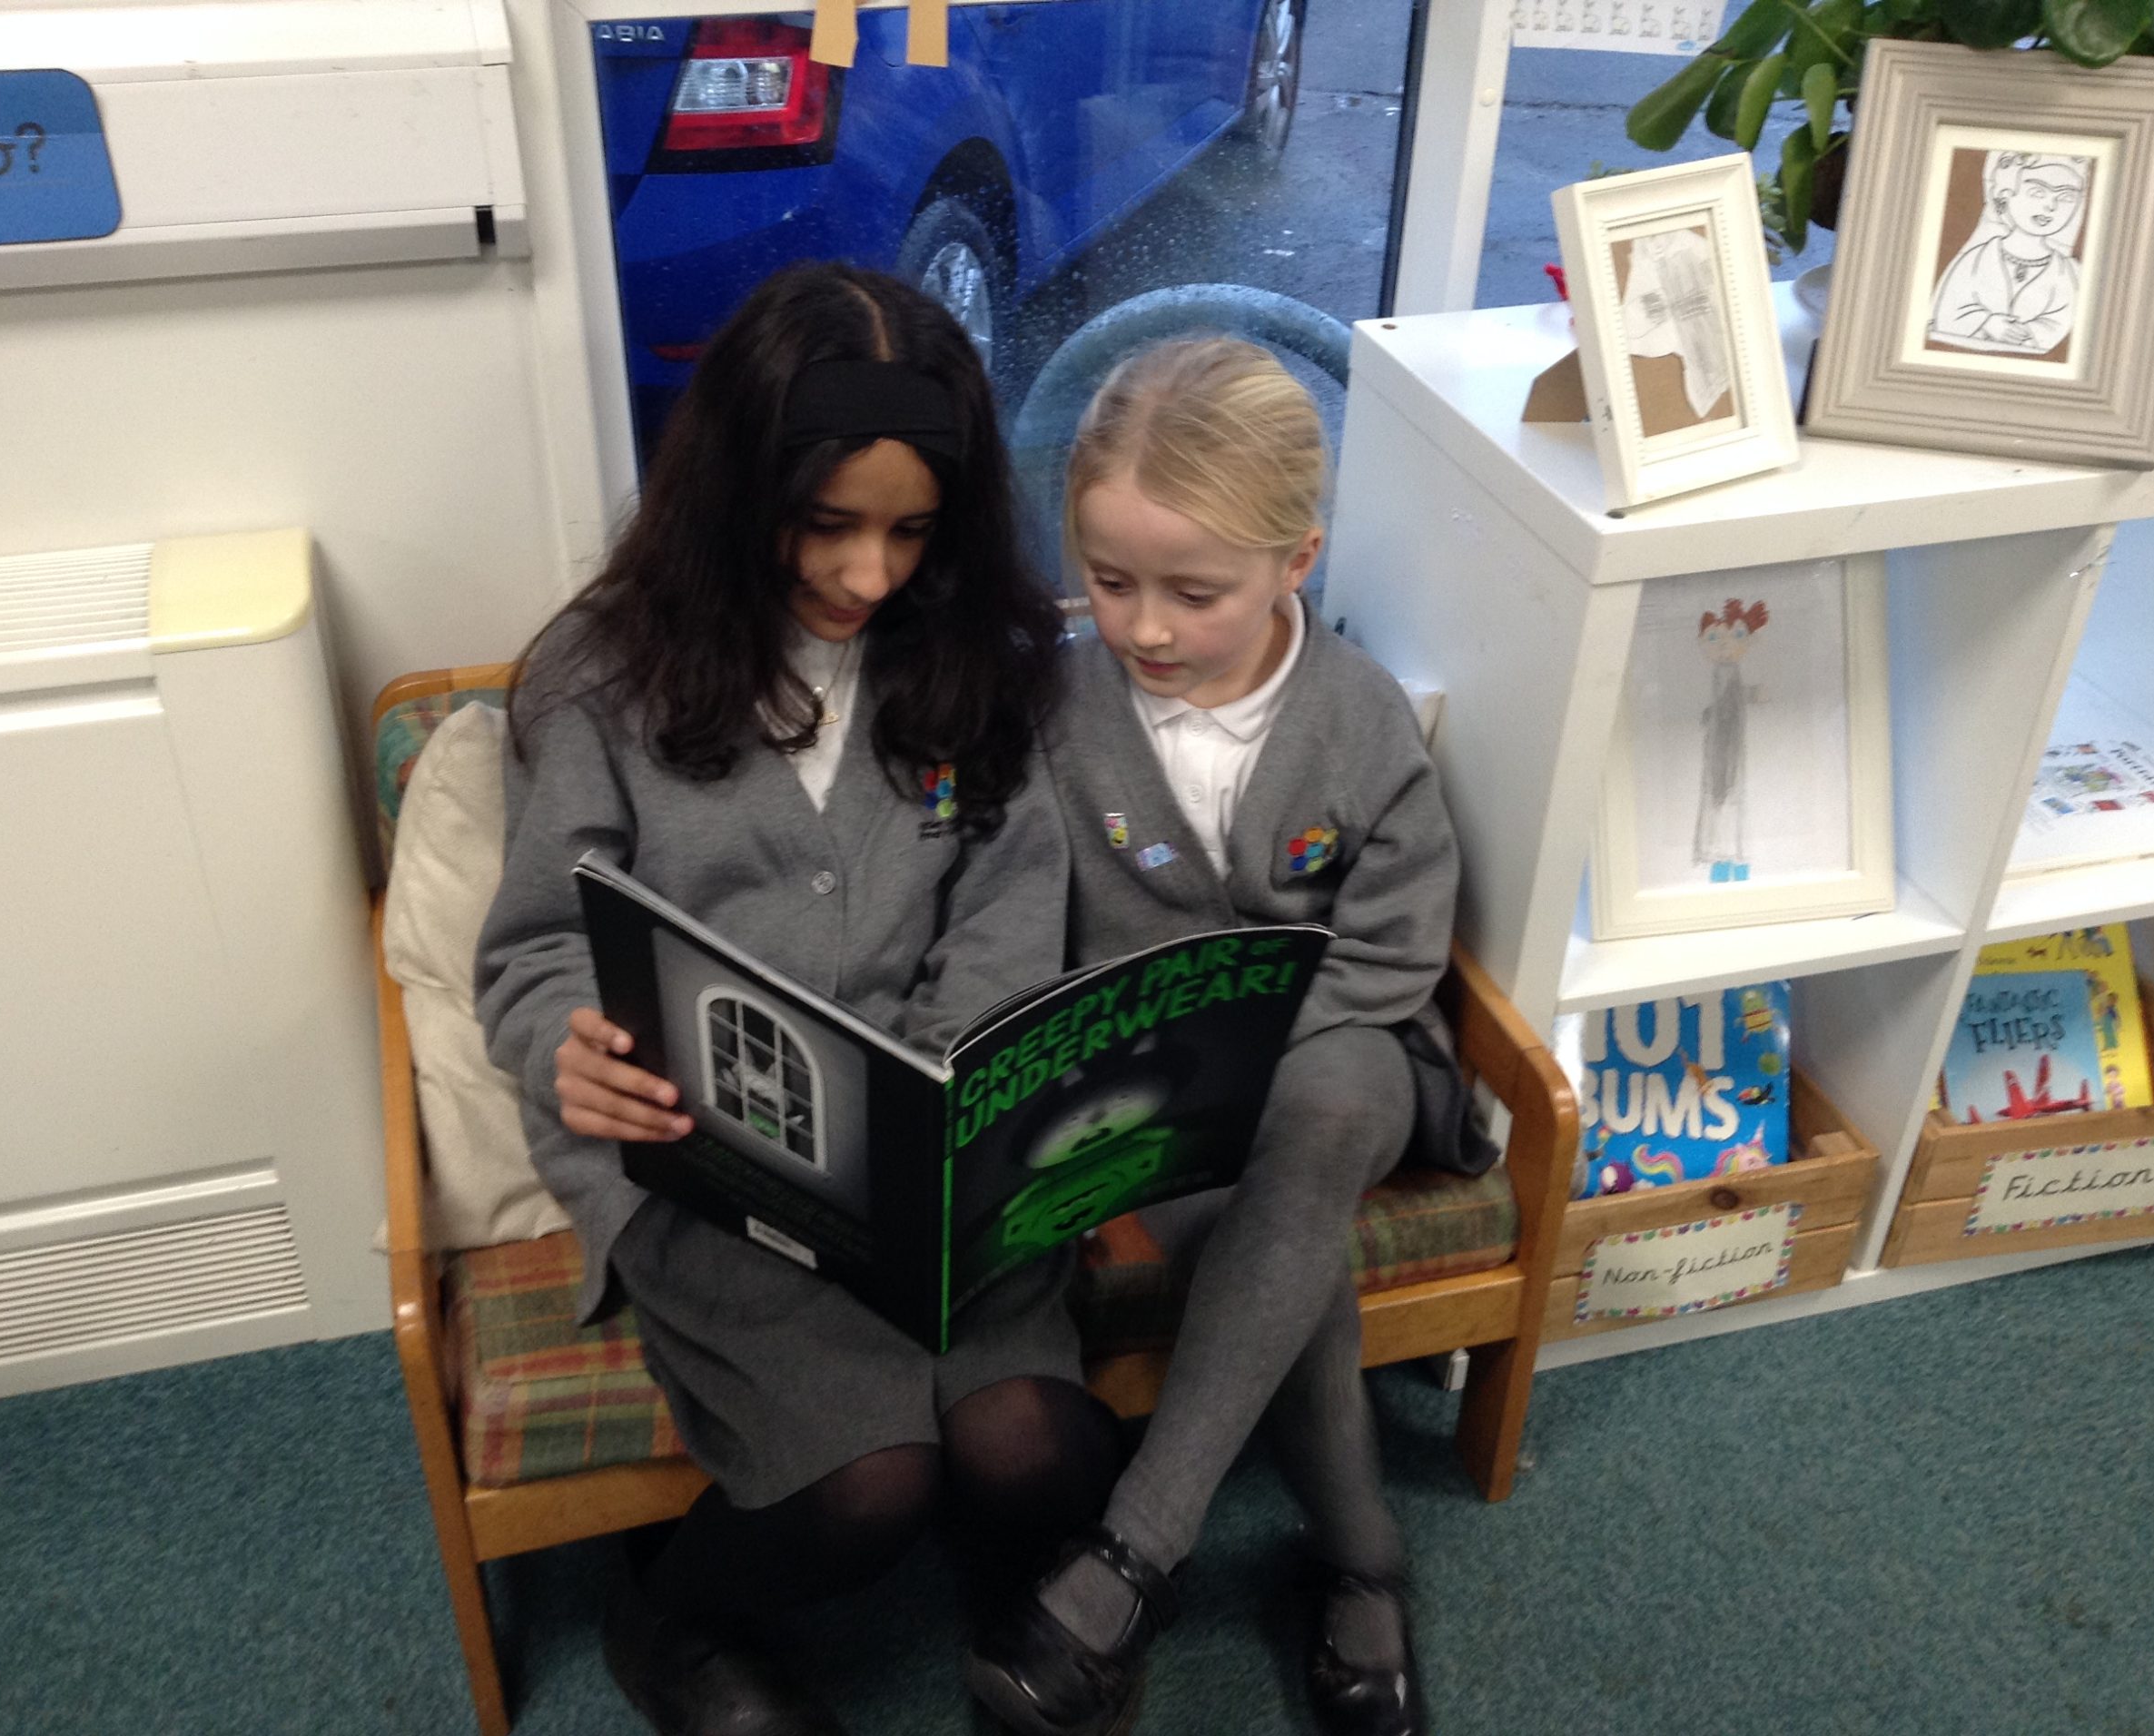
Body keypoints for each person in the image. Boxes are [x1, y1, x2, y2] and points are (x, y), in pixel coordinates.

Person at [475, 262, 1120, 1736]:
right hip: (708, 1161)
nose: (871, 575)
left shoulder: (974, 660)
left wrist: (944, 1098)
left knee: (1038, 1451)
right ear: (738, 491)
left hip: (934, 1159)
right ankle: (670, 1614)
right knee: (865, 1488)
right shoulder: (597, 680)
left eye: (912, 530)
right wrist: (565, 1045)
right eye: (827, 524)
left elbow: (1010, 915)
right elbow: (535, 947)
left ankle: (993, 1544)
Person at [965, 338, 1492, 1736]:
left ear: (1295, 561)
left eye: (1193, 593)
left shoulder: (1360, 719)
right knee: (1272, 1239)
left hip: (1351, 1048)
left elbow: (1394, 950)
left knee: (1321, 1110)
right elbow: (1021, 922)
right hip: (1157, 1099)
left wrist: (1242, 1054)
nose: (1144, 627)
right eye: (1108, 579)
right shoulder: (1053, 710)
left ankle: (1137, 1547)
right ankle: (1363, 1562)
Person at [1928, 150, 2090, 358]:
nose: (2051, 206)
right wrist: (1988, 323)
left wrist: (2028, 334)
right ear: (2005, 196)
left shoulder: (2072, 273)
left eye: (2066, 197)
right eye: (2037, 192)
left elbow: (2063, 323)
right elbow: (1948, 311)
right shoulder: (1975, 258)